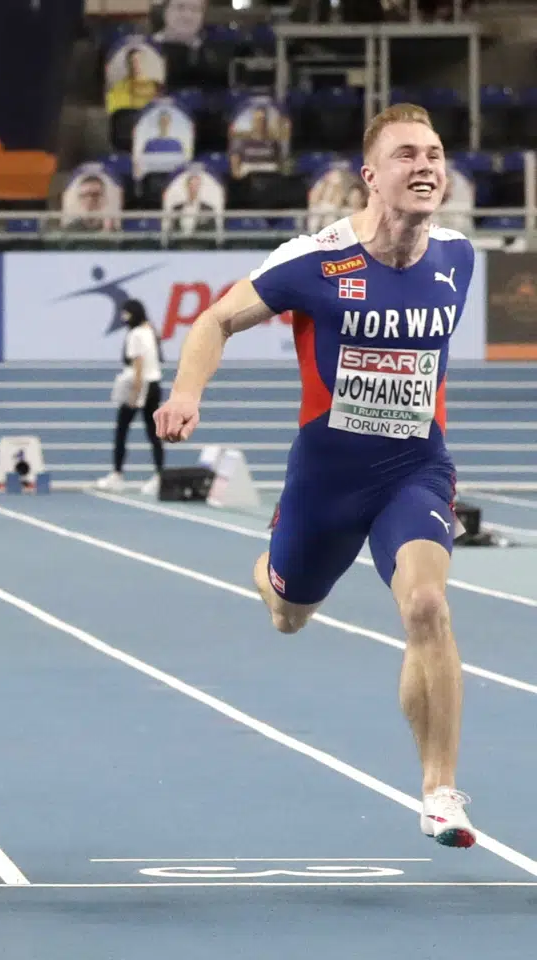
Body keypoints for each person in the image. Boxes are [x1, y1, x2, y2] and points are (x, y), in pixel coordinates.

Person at [153, 104, 477, 848]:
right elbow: (214, 321)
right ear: (370, 177)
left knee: (427, 606)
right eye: (406, 155)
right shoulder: (315, 261)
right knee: (288, 613)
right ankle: (270, 568)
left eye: (434, 153)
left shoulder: (457, 258)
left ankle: (439, 791)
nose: (426, 165)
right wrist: (186, 392)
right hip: (327, 480)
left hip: (415, 470)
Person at [96, 299, 165, 494]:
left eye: (125, 313)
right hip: (154, 384)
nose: (122, 317)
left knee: (121, 431)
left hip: (140, 385)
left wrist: (135, 393)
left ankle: (117, 475)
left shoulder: (135, 334)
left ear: (133, 314)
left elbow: (138, 365)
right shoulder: (150, 330)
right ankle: (160, 475)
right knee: (153, 433)